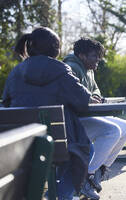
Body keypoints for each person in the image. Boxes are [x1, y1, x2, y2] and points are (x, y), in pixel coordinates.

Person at [2, 27, 93, 200]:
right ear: (55, 48)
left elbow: (6, 104)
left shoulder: (16, 72)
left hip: (19, 144)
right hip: (57, 143)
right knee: (85, 148)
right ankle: (61, 196)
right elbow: (82, 101)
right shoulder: (61, 70)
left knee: (69, 149)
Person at [63, 38, 126, 199]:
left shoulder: (89, 70)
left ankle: (99, 171)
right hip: (74, 122)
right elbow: (74, 96)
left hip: (87, 117)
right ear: (82, 55)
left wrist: (93, 96)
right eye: (94, 56)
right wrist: (88, 98)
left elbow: (96, 89)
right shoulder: (72, 68)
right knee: (112, 131)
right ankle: (87, 177)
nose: (98, 60)